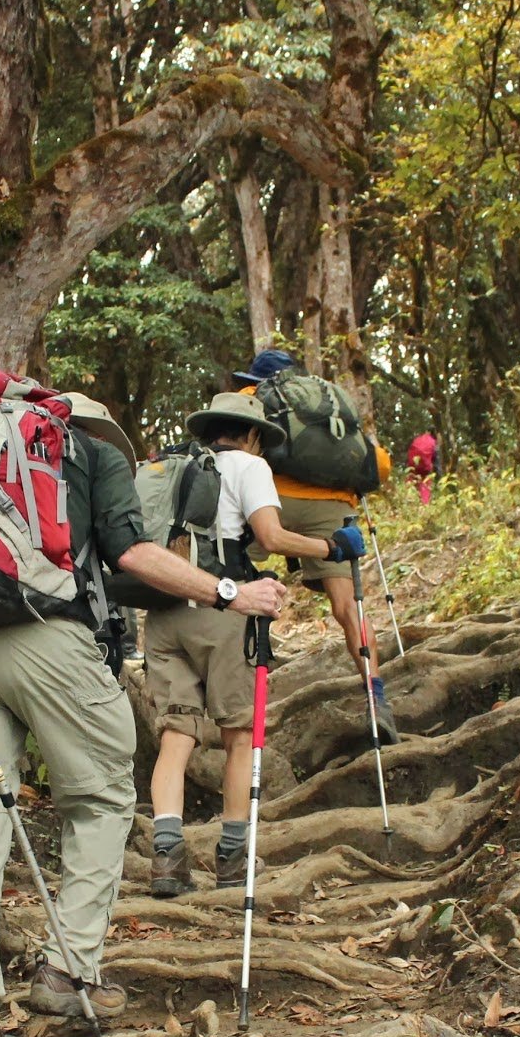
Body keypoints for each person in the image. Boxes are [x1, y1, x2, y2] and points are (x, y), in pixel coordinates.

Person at [0, 389, 287, 1037]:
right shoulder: (88, 448)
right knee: (102, 796)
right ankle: (70, 968)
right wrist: (232, 593)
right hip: (51, 634)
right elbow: (134, 553)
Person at [145, 391, 365, 898]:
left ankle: (166, 858)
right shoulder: (248, 466)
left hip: (162, 611)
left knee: (176, 736)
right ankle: (232, 857)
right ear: (249, 435)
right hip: (224, 608)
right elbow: (271, 534)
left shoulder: (171, 466)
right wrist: (330, 546)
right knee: (239, 735)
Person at [233, 349, 398, 741]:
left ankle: (230, 689)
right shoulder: (328, 403)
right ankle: (376, 698)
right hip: (332, 506)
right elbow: (381, 464)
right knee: (347, 607)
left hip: (269, 500)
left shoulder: (251, 397)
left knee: (231, 579)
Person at [407, 429, 439, 505]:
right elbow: (435, 461)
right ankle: (425, 504)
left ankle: (409, 501)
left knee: (411, 482)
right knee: (425, 484)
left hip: (413, 465)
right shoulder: (433, 442)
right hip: (425, 467)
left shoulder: (418, 439)